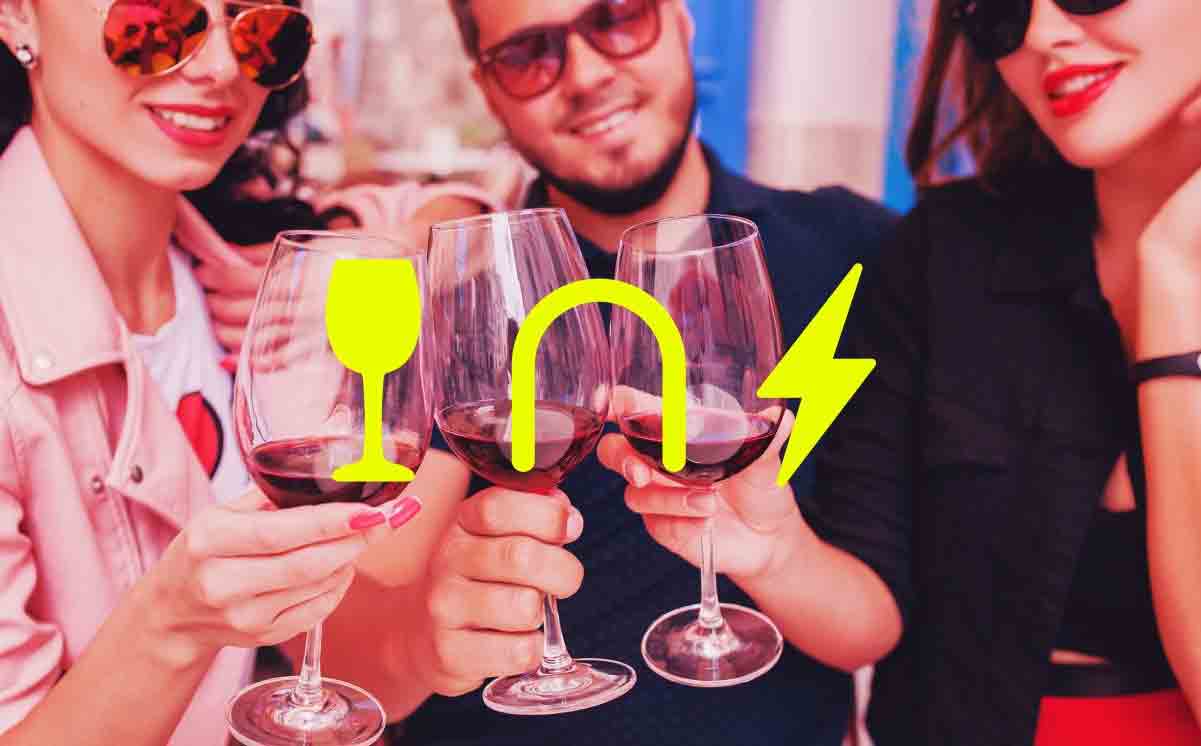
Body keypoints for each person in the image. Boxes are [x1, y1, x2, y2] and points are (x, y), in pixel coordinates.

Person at [604, 0, 1201, 744]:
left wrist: (1175, 284)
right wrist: (773, 550)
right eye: (1001, 11)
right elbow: (870, 618)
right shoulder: (947, 251)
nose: (1042, 36)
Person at [387, 1, 895, 744]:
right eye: (528, 54)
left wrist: (780, 556)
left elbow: (872, 628)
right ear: (487, 90)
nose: (587, 74)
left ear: (681, 21)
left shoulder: (851, 252)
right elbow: (361, 655)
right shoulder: (458, 287)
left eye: (619, 17)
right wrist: (421, 645)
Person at [0, 2, 442, 742]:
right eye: (156, 16)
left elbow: (434, 204)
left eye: (257, 28)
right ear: (19, 14)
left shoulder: (252, 268)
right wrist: (173, 623)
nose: (219, 68)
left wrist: (441, 630)